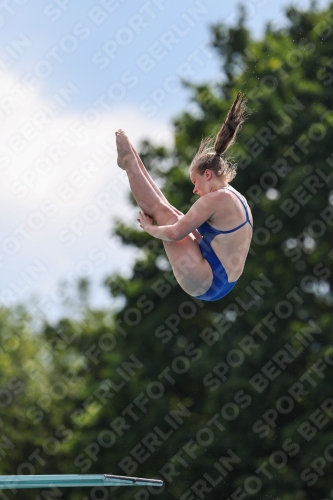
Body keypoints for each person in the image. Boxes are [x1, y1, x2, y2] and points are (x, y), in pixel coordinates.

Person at [115, 92, 253, 301]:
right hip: (222, 277)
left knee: (165, 216)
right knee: (172, 213)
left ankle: (128, 162)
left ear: (207, 174)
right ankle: (131, 158)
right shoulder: (235, 197)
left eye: (195, 182)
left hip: (208, 281)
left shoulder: (215, 200)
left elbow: (175, 234)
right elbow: (196, 230)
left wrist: (149, 228)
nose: (194, 190)